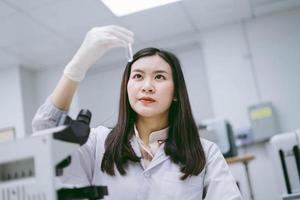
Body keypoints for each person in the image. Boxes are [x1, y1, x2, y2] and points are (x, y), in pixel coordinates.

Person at [32, 25, 242, 200]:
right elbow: (45, 133)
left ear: (176, 92)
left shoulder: (205, 153)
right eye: (138, 76)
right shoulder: (98, 143)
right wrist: (77, 67)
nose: (147, 86)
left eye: (159, 77)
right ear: (127, 87)